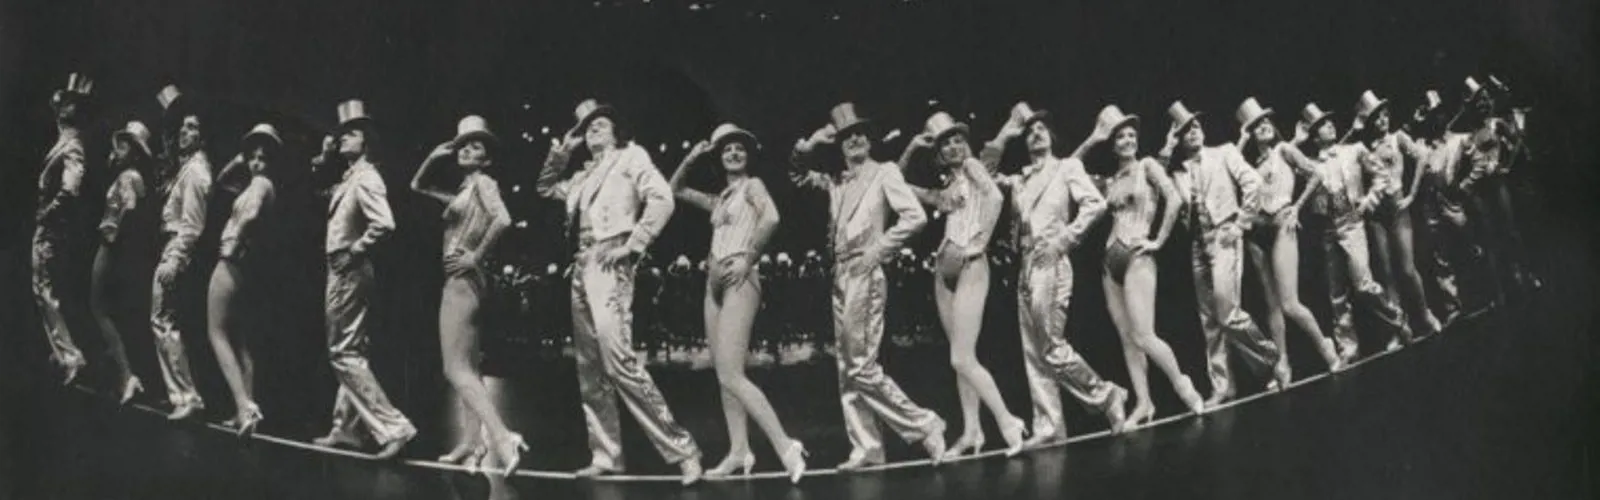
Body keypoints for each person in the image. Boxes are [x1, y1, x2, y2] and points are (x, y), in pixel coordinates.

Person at [536, 99, 702, 485]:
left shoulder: (631, 156)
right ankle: (607, 454)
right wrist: (562, 150)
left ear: (616, 129)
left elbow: (662, 197)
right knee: (590, 367)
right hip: (581, 264)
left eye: (599, 123)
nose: (591, 128)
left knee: (618, 360)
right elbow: (545, 188)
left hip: (612, 259)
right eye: (586, 126)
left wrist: (635, 244)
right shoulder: (581, 174)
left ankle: (682, 448)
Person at [789, 102, 947, 470]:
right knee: (846, 368)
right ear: (838, 144)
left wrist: (878, 250)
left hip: (866, 270)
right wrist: (809, 145)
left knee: (861, 366)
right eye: (845, 136)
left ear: (869, 139)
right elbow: (796, 175)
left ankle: (924, 423)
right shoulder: (836, 181)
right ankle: (867, 447)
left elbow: (915, 217)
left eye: (859, 133)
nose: (853, 140)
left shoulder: (885, 172)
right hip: (840, 274)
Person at [976, 103, 1133, 443]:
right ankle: (1049, 425)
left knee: (1050, 347)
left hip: (1053, 260)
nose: (1035, 132)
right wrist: (1006, 131)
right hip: (1026, 264)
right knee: (1033, 353)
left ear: (1052, 137)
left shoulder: (1067, 167)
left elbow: (1095, 204)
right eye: (1029, 129)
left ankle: (1107, 395)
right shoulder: (1019, 180)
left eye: (1041, 128)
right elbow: (981, 175)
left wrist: (1065, 238)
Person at [669, 123, 808, 483]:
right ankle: (738, 450)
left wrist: (749, 256)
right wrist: (691, 157)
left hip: (740, 278)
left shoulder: (753, 186)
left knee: (732, 372)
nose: (733, 153)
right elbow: (675, 189)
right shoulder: (721, 199)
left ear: (748, 156)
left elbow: (773, 217)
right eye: (726, 149)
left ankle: (786, 447)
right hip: (712, 282)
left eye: (739, 149)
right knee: (723, 374)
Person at [894, 111, 1030, 457]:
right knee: (959, 357)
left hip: (971, 265)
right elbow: (895, 183)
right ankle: (972, 432)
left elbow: (996, 199)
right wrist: (911, 148)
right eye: (945, 143)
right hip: (944, 269)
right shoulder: (945, 187)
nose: (953, 146)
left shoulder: (973, 168)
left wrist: (980, 240)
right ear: (938, 152)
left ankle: (1007, 421)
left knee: (962, 357)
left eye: (958, 140)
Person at [410, 115, 525, 475]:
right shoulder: (464, 189)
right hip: (466, 283)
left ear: (486, 158)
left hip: (463, 282)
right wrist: (433, 156)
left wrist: (475, 255)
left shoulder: (483, 182)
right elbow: (417, 186)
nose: (465, 150)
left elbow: (503, 219)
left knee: (454, 368)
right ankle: (471, 442)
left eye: (475, 146)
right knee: (470, 367)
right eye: (462, 145)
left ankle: (503, 437)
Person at [1081, 105, 1206, 422]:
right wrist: (1094, 138)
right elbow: (1070, 168)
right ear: (1113, 143)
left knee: (1144, 335)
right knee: (1127, 339)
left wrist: (1158, 241)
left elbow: (1174, 200)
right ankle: (1144, 402)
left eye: (1131, 134)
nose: (1126, 140)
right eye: (1120, 136)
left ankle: (1183, 386)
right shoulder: (1109, 181)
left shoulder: (1148, 165)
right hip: (1110, 264)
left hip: (1139, 255)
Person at [311, 99, 417, 459]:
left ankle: (393, 427)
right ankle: (348, 428)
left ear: (366, 141)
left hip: (350, 269)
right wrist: (326, 158)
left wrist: (354, 250)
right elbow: (317, 191)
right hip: (343, 269)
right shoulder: (350, 176)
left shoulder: (367, 176)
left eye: (350, 134)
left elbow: (384, 223)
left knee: (343, 352)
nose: (342, 139)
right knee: (351, 350)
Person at [1159, 101, 1285, 405]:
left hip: (1224, 238)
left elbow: (1253, 184)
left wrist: (1240, 224)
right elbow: (1157, 188)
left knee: (1228, 312)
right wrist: (1166, 148)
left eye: (1196, 126)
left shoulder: (1224, 152)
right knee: (1210, 321)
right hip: (1198, 247)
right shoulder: (1178, 172)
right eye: (1184, 130)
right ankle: (1223, 386)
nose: (1192, 133)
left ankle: (1270, 358)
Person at [1233, 98, 1345, 378]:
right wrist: (1242, 140)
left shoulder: (1284, 150)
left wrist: (1297, 206)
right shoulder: (1247, 166)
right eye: (1256, 125)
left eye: (1266, 122)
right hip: (1257, 233)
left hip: (1283, 223)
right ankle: (1282, 364)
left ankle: (1325, 346)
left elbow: (1316, 174)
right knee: (1271, 305)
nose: (1263, 127)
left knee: (1289, 303)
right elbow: (1228, 169)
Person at [1298, 102, 1413, 362]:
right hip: (1328, 227)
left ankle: (1397, 319)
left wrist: (1368, 202)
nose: (1329, 126)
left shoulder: (1354, 150)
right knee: (1336, 293)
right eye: (1322, 125)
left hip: (1351, 221)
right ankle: (1348, 347)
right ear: (1314, 134)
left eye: (1329, 122)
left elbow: (1381, 175)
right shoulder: (1310, 163)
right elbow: (1285, 157)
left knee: (1363, 284)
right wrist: (1298, 139)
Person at [206, 123, 283, 436]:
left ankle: (243, 405)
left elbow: (249, 217)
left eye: (263, 158)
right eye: (253, 157)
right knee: (239, 339)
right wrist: (240, 160)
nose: (256, 162)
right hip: (247, 267)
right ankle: (246, 409)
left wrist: (231, 246)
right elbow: (222, 182)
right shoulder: (255, 184)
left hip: (232, 261)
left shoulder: (261, 184)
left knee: (216, 332)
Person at [1349, 90, 1442, 340]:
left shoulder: (1397, 138)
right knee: (1386, 272)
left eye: (1385, 115)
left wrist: (1411, 194)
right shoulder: (1363, 147)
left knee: (1407, 268)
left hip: (1399, 210)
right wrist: (1355, 128)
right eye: (1377, 118)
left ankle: (1425, 315)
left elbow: (1422, 158)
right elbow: (1339, 151)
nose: (1383, 121)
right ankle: (1399, 328)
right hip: (1377, 216)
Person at [151, 84, 212, 420]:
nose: (186, 132)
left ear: (203, 136)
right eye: (184, 126)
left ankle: (186, 396)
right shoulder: (186, 167)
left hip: (177, 248)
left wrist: (175, 258)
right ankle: (180, 393)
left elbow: (192, 224)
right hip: (171, 245)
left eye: (193, 127)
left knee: (164, 319)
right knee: (164, 320)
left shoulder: (197, 171)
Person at [34, 73, 93, 385]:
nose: (64, 107)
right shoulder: (64, 140)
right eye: (64, 103)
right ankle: (62, 353)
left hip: (53, 228)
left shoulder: (73, 145)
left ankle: (70, 355)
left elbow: (71, 188)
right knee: (45, 289)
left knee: (45, 288)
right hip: (53, 227)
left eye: (72, 104)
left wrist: (49, 212)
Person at [93, 120, 154, 403]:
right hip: (118, 249)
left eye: (125, 144)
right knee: (109, 310)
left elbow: (131, 209)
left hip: (111, 247)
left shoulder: (129, 177)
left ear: (135, 151)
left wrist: (113, 236)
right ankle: (121, 374)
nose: (118, 148)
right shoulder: (128, 175)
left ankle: (127, 374)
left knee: (98, 307)